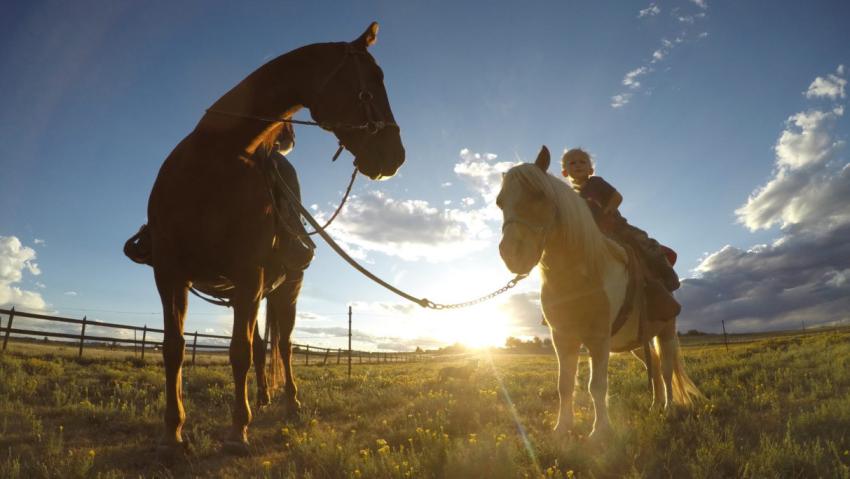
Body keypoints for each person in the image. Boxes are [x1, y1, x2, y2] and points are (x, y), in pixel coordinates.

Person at [561, 148, 680, 292]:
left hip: (617, 227)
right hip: (594, 234)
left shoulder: (596, 182)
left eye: (582, 162)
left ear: (590, 170)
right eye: (572, 163)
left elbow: (617, 197)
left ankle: (667, 275)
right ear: (565, 172)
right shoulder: (571, 196)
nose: (578, 165)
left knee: (643, 242)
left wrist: (608, 210)